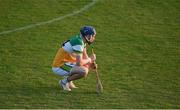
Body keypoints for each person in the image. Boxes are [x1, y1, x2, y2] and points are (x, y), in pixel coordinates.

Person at [52, 26, 97, 91]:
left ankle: (69, 81)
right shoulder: (78, 43)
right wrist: (90, 59)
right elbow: (79, 63)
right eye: (92, 36)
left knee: (86, 66)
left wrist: (91, 63)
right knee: (83, 71)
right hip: (59, 66)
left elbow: (85, 55)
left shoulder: (81, 40)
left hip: (66, 62)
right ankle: (64, 82)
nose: (93, 38)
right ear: (87, 36)